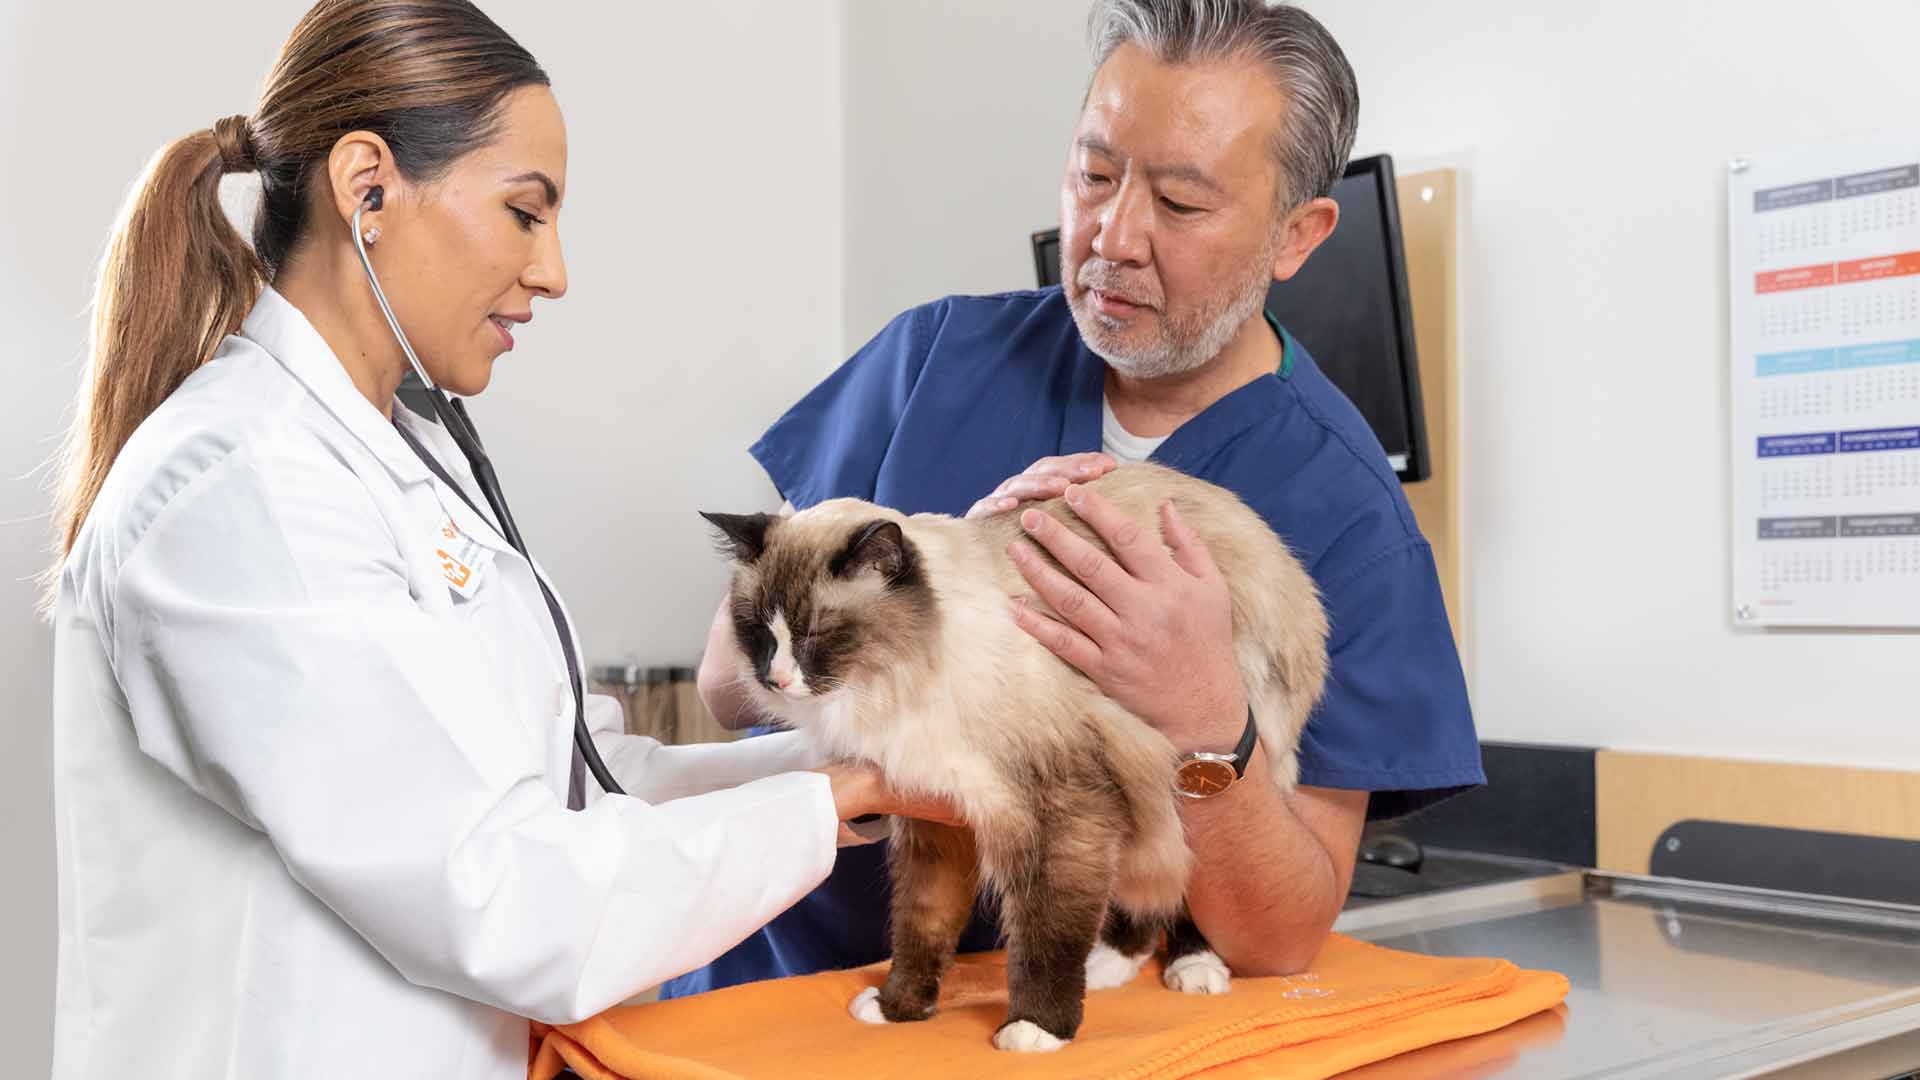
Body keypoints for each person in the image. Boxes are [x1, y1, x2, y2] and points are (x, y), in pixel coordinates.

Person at [43, 2, 954, 1076]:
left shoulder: (401, 462)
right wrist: (834, 797)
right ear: (366, 186)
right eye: (527, 213)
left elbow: (579, 785)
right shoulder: (234, 487)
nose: (554, 270)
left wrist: (849, 764)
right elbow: (503, 895)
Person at [667, 0, 1481, 1001]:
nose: (1111, 236)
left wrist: (1205, 719)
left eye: (1180, 204)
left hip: (1060, 1029)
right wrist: (945, 582)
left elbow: (1280, 936)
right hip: (782, 1000)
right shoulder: (934, 362)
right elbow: (724, 682)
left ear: (1296, 235)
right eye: (1094, 174)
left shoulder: (1339, 508)